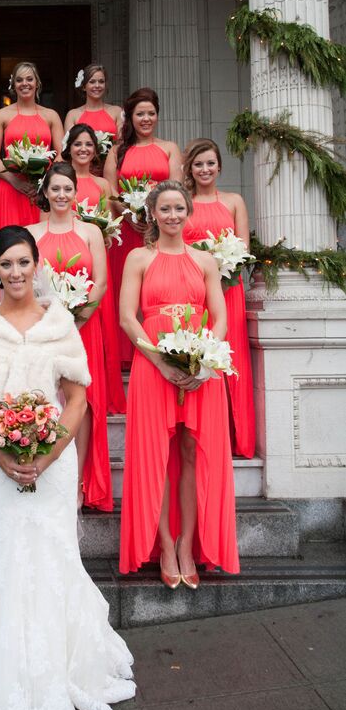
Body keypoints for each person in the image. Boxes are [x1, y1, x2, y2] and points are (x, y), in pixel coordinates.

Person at [0, 226, 135, 710]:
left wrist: (49, 454)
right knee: (3, 560)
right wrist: (2, 455)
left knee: (54, 556)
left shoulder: (59, 322)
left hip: (53, 460)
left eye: (23, 262)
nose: (15, 272)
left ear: (37, 265)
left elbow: (76, 398)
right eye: (5, 265)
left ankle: (65, 670)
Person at [118, 181, 240, 587]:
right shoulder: (138, 257)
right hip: (154, 367)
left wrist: (204, 360)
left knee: (190, 453)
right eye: (165, 209)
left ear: (189, 213)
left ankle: (189, 544)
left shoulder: (205, 260)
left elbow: (219, 317)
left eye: (179, 209)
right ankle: (165, 545)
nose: (173, 216)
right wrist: (159, 362)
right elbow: (127, 318)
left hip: (200, 368)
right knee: (156, 457)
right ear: (152, 213)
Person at [26, 163, 112, 512]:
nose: (61, 195)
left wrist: (77, 321)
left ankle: (77, 481)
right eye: (55, 189)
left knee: (84, 404)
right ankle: (46, 475)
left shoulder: (91, 231)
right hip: (44, 330)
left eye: (67, 188)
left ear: (76, 192)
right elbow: (27, 284)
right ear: (45, 193)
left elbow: (101, 282)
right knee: (48, 398)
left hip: (83, 329)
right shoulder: (31, 232)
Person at [182, 138, 256, 458]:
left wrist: (225, 272)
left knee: (229, 357)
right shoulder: (184, 203)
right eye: (198, 164)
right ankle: (205, 431)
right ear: (191, 169)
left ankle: (236, 434)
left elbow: (243, 249)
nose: (205, 169)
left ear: (220, 166)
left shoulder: (234, 201)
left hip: (229, 291)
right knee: (199, 355)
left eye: (210, 163)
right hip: (194, 292)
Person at [103, 87, 183, 367]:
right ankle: (126, 356)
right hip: (128, 232)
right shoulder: (117, 152)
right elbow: (110, 191)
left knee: (156, 291)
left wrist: (154, 217)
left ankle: (160, 346)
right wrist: (129, 217)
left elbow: (175, 188)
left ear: (157, 116)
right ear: (130, 118)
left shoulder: (170, 148)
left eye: (151, 113)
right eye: (140, 114)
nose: (146, 119)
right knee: (127, 294)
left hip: (161, 230)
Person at [63, 124, 126, 415]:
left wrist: (106, 233)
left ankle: (103, 389)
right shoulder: (60, 181)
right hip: (66, 262)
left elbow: (114, 223)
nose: (83, 149)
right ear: (69, 148)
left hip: (94, 264)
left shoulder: (102, 185)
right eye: (78, 144)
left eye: (88, 144)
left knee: (98, 328)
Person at [0, 61, 63, 233]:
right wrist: (15, 182)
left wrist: (45, 184)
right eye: (20, 80)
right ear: (13, 84)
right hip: (10, 187)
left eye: (30, 79)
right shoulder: (3, 115)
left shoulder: (51, 116)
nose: (25, 84)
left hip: (42, 189)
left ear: (37, 83)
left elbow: (61, 155)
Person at [63, 62, 122, 151]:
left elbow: (122, 143)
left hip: (112, 163)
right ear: (83, 86)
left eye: (101, 81)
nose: (97, 85)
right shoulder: (73, 115)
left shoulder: (116, 111)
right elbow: (69, 148)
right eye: (92, 82)